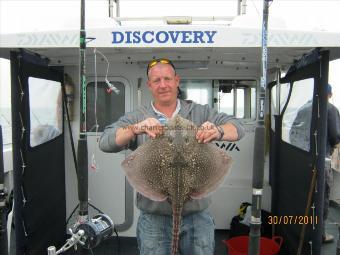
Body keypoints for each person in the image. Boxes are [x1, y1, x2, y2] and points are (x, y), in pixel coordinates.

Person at [99, 58, 245, 255]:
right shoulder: (137, 116)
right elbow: (106, 141)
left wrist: (217, 131)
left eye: (167, 78)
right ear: (149, 85)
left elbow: (238, 128)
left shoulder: (200, 112)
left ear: (177, 81)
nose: (163, 85)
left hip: (197, 217)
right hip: (154, 218)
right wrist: (135, 128)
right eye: (156, 80)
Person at [323, 84, 340, 243]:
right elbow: (335, 136)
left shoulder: (304, 109)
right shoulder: (331, 109)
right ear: (329, 94)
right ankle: (320, 233)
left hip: (304, 159)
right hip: (322, 161)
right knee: (323, 195)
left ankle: (303, 229)